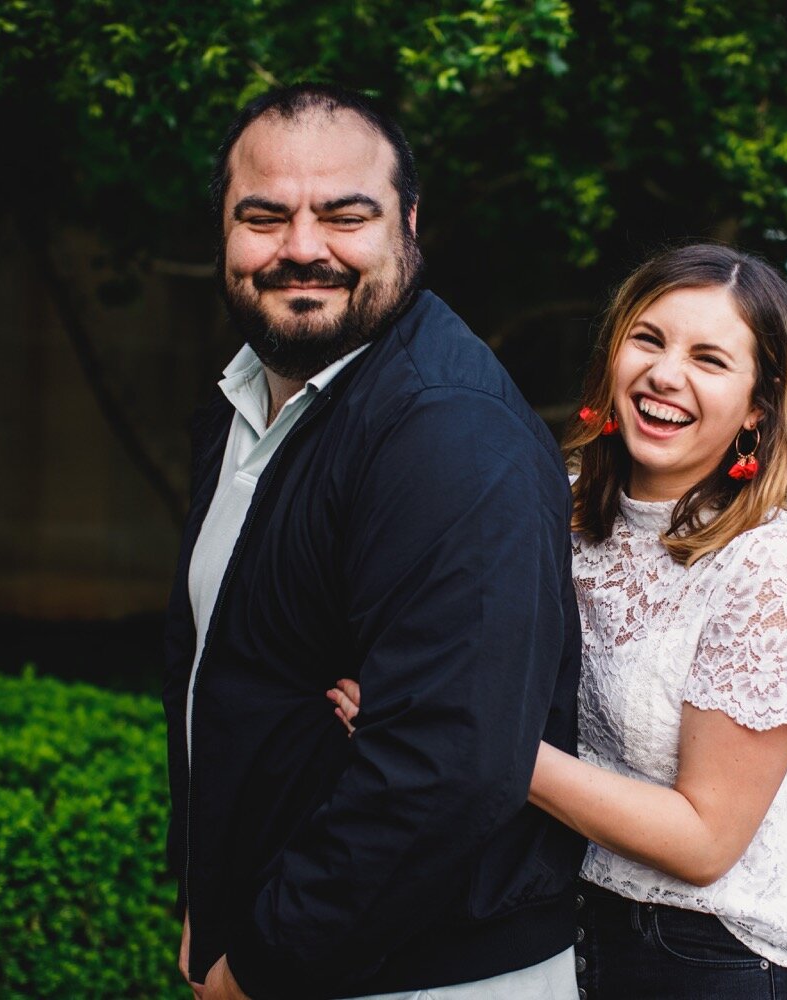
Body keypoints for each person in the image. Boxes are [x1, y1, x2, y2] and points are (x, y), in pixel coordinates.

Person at [332, 243, 787, 999]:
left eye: (709, 358)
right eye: (648, 338)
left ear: (758, 406)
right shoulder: (551, 505)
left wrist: (459, 739)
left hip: (709, 959)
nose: (666, 374)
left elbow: (705, 841)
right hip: (555, 929)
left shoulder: (771, 563)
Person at [163, 83, 585, 1000]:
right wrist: (207, 898)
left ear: (409, 224)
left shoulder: (449, 432)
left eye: (345, 215)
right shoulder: (247, 398)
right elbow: (227, 678)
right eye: (264, 217)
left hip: (424, 978)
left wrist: (258, 966)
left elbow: (447, 771)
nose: (302, 247)